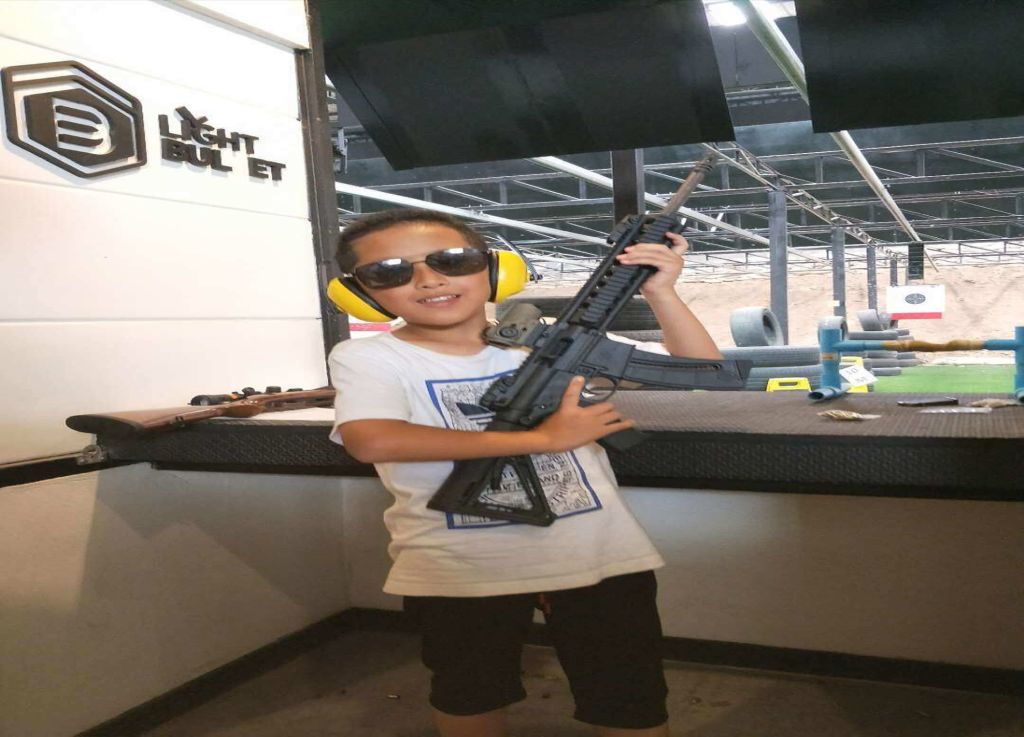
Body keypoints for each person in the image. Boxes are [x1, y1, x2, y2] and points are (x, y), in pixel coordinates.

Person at [327, 208, 723, 737]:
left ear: (493, 269)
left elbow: (702, 371)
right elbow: (371, 439)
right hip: (458, 563)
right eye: (390, 271)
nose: (429, 279)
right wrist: (541, 439)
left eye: (452, 260)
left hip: (597, 551)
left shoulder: (546, 340)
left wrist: (661, 292)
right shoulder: (369, 358)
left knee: (631, 697)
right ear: (359, 292)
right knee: (471, 693)